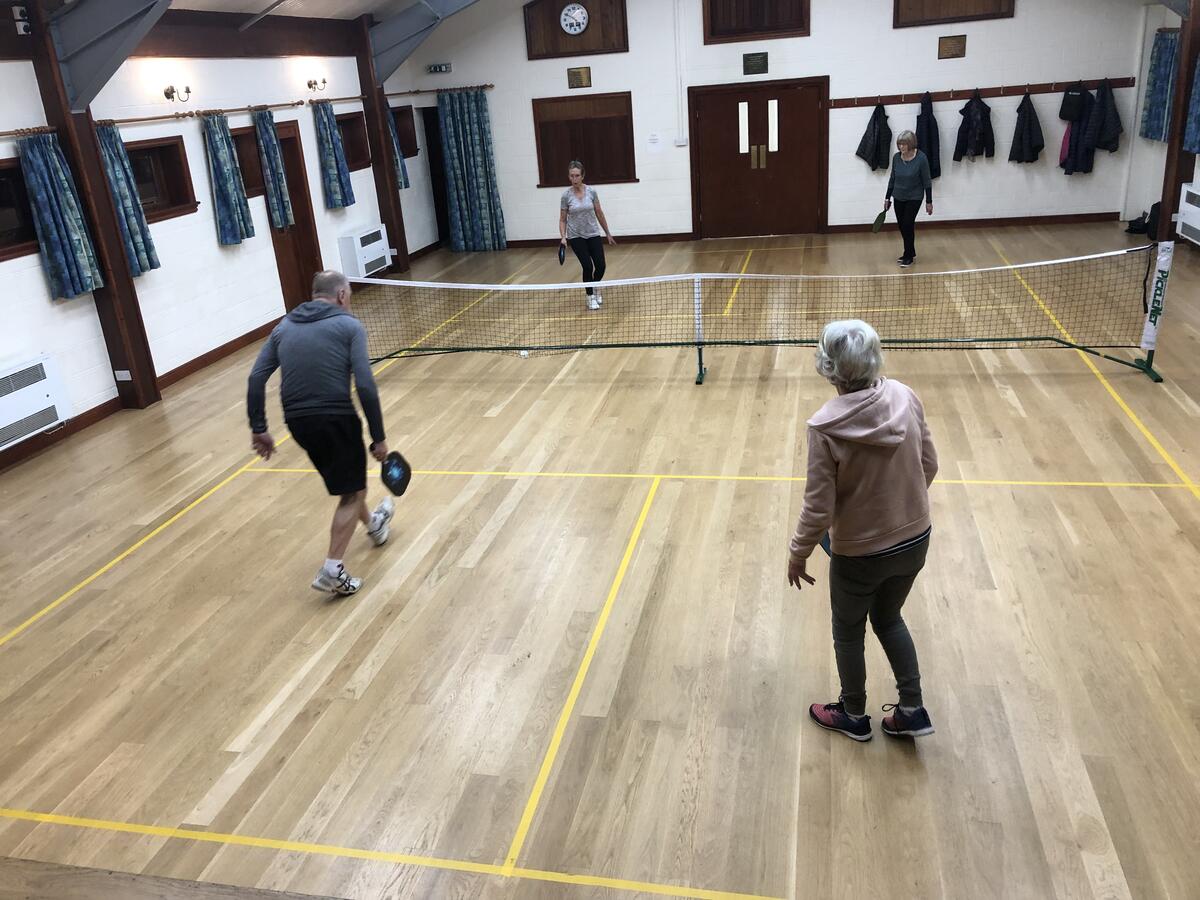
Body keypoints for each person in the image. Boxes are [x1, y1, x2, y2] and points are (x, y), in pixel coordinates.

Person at [786, 320, 938, 742]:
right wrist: (901, 511)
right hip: (916, 539)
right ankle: (912, 709)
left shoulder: (824, 427)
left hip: (860, 556)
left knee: (848, 630)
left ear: (828, 368)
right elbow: (930, 464)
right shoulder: (905, 395)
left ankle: (853, 714)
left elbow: (819, 509)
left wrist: (798, 553)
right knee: (889, 618)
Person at [247, 270, 394, 596]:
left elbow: (256, 378)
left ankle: (374, 525)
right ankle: (332, 569)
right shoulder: (349, 326)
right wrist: (378, 437)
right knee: (351, 492)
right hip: (336, 418)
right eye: (350, 294)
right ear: (342, 295)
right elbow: (366, 387)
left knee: (349, 482)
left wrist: (260, 429)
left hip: (297, 423)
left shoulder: (283, 327)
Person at [559, 160, 616, 311]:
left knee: (601, 266)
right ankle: (590, 297)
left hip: (593, 233)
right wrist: (563, 237)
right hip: (576, 236)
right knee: (587, 266)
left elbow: (599, 213)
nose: (574, 179)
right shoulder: (566, 196)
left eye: (577, 175)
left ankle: (596, 286)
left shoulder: (591, 192)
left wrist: (607, 233)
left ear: (582, 176)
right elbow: (563, 219)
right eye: (572, 176)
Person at [882, 130, 933, 268]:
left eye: (904, 144)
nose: (901, 147)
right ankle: (911, 250)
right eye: (899, 144)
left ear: (911, 144)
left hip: (914, 197)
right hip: (898, 195)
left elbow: (927, 181)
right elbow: (892, 178)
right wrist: (887, 198)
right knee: (901, 225)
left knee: (907, 224)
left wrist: (929, 201)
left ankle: (908, 255)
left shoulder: (921, 158)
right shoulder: (896, 158)